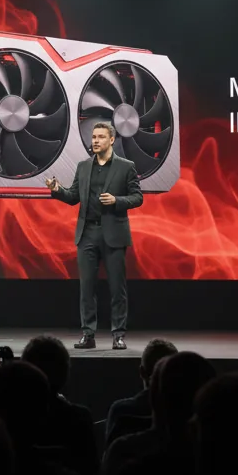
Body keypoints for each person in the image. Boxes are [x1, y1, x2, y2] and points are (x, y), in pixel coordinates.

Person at [45, 120, 144, 350]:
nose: (95, 141)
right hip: (87, 233)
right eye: (93, 137)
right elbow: (73, 196)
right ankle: (88, 334)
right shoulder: (83, 166)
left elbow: (138, 197)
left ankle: (118, 335)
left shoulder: (126, 166)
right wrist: (57, 190)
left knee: (117, 288)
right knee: (87, 288)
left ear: (111, 140)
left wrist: (117, 201)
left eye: (100, 137)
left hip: (113, 233)